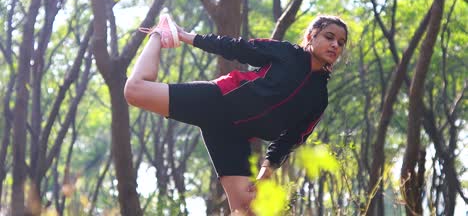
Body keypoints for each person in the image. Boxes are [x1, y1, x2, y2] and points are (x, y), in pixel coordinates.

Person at [124, 14, 348, 215]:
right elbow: (236, 48)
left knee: (247, 209)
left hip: (234, 137)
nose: (335, 45)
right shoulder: (286, 53)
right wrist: (184, 36)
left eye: (340, 43)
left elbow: (293, 138)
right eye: (329, 37)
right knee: (134, 91)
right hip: (216, 101)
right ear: (311, 36)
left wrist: (266, 171)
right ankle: (158, 33)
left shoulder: (319, 97)